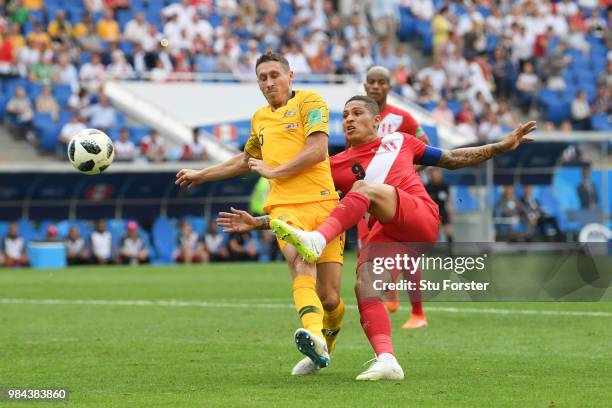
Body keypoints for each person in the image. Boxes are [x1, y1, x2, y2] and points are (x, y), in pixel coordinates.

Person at [265, 96, 536, 380]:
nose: (349, 119)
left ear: (377, 121)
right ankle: (387, 359)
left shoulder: (400, 141)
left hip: (419, 216)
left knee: (363, 187)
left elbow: (451, 159)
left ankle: (318, 241)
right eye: (345, 115)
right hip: (385, 235)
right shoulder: (333, 166)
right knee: (364, 285)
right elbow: (310, 204)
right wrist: (263, 221)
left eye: (357, 113)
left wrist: (499, 147)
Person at [176, 52, 346, 374]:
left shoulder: (311, 102)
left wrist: (274, 170)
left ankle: (325, 343)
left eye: (273, 75)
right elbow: (244, 160)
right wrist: (202, 173)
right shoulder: (260, 119)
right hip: (284, 208)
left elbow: (317, 150)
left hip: (324, 204)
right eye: (262, 78)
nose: (269, 83)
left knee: (330, 298)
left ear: (289, 75)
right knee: (300, 260)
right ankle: (312, 334)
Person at [363, 65, 430, 326]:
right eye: (372, 82)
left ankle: (417, 312)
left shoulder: (402, 118)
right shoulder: (359, 119)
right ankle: (389, 285)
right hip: (368, 199)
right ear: (365, 86)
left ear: (389, 86)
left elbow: (425, 148)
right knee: (369, 249)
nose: (376, 86)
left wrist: (409, 172)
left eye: (382, 81)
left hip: (400, 197)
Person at [426, 168, 454, 253]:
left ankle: (450, 252)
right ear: (431, 176)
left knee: (448, 231)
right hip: (431, 211)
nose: (436, 176)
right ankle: (429, 252)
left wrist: (450, 212)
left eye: (437, 174)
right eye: (434, 175)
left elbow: (449, 200)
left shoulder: (444, 186)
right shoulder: (427, 186)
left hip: (442, 210)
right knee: (431, 233)